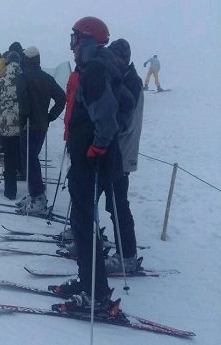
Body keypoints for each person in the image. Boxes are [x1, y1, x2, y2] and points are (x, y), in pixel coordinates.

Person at [52, 16, 123, 314]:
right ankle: (88, 281)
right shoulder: (96, 68)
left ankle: (96, 294)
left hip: (91, 162)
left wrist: (97, 148)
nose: (72, 48)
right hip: (87, 159)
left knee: (83, 224)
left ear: (87, 41)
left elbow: (107, 115)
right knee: (81, 224)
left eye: (74, 41)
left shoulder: (94, 71)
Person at [103, 38, 144, 273]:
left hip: (121, 151)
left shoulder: (132, 82)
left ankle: (127, 255)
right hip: (113, 150)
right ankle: (114, 246)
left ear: (122, 59)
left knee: (118, 203)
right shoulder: (122, 78)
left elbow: (125, 121)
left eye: (114, 57)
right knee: (108, 200)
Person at [16, 46, 65, 212]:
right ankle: (35, 193)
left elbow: (22, 98)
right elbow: (61, 98)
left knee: (28, 161)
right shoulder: (47, 78)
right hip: (41, 125)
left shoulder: (23, 77)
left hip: (28, 124)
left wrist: (24, 116)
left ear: (27, 60)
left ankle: (38, 197)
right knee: (33, 159)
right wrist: (50, 116)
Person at [0, 51, 23, 200]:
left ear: (7, 65)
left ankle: (10, 191)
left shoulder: (1, 82)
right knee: (21, 154)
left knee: (8, 157)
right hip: (22, 127)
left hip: (5, 127)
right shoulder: (24, 81)